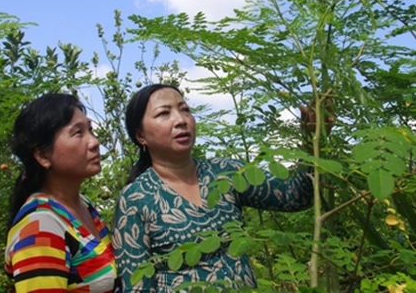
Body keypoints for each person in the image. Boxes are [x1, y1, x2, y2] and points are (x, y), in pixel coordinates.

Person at [112, 84, 316, 292]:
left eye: (185, 109)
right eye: (164, 113)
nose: (181, 120)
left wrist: (312, 140)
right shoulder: (135, 198)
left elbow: (295, 196)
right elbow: (137, 287)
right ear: (141, 136)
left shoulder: (226, 174)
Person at [4, 93, 119, 293]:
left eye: (91, 130)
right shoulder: (40, 228)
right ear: (42, 155)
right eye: (78, 133)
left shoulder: (83, 206)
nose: (94, 142)